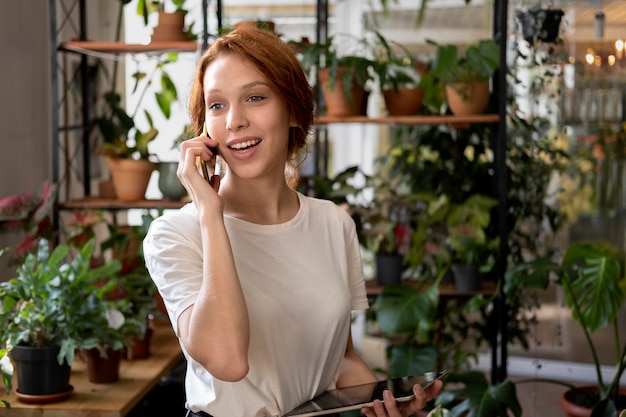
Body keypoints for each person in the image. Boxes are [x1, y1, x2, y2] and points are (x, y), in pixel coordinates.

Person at [143, 27, 442, 417]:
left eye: (255, 97)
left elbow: (339, 359)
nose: (234, 120)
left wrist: (386, 404)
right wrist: (210, 215)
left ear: (294, 111)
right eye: (217, 106)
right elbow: (228, 361)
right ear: (204, 131)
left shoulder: (334, 224)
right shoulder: (175, 235)